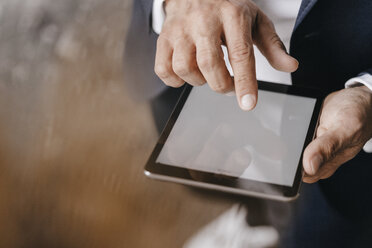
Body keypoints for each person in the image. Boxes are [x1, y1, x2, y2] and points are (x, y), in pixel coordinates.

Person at [124, 0, 372, 247]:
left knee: (320, 226)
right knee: (204, 167)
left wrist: (368, 92)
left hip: (346, 73)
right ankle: (259, 221)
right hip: (200, 40)